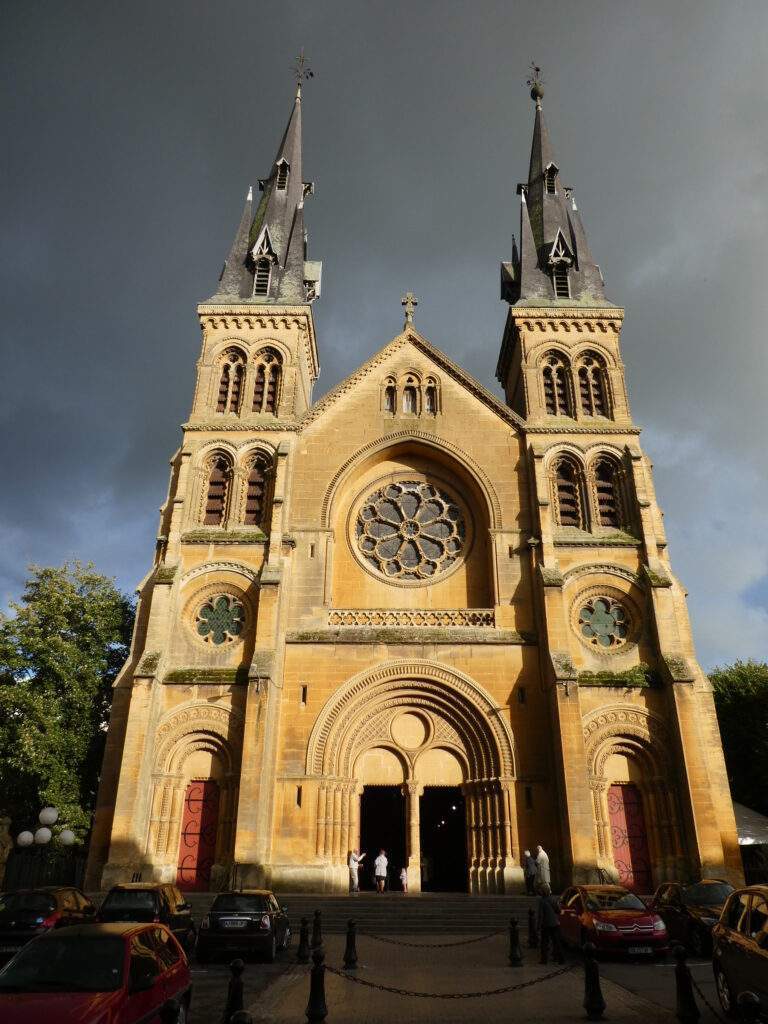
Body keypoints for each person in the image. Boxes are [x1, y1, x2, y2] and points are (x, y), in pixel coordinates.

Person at [537, 883, 565, 964]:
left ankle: (544, 959)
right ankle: (560, 959)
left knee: (544, 943)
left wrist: (538, 926)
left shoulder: (542, 901)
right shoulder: (554, 899)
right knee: (556, 942)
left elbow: (540, 915)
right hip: (555, 923)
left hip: (546, 924)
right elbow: (558, 911)